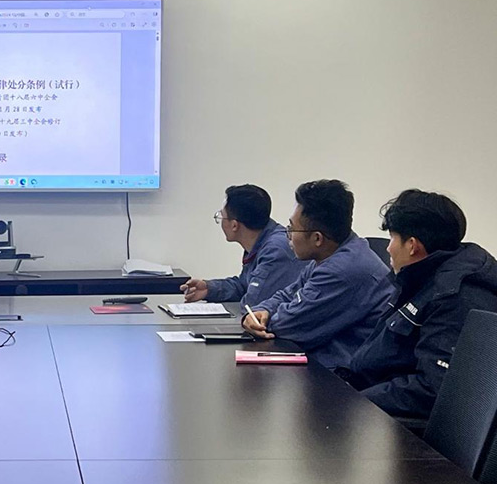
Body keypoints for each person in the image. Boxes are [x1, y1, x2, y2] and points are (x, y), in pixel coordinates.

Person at [342, 190, 497, 422]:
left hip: (404, 426)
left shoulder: (454, 297)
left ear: (412, 246)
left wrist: (354, 402)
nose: (388, 248)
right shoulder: (422, 278)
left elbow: (431, 389)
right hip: (375, 397)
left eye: (393, 238)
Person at [242, 180, 393, 368]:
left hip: (345, 376)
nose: (288, 235)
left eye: (291, 228)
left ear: (317, 238)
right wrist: (262, 310)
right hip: (326, 360)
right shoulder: (330, 254)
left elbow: (291, 326)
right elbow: (288, 294)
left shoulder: (342, 270)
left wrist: (261, 320)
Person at [181, 184, 304, 311]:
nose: (220, 221)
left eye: (221, 216)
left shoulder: (276, 250)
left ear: (234, 225)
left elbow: (253, 305)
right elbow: (244, 285)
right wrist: (209, 289)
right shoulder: (260, 241)